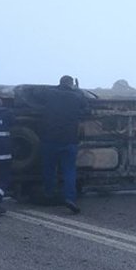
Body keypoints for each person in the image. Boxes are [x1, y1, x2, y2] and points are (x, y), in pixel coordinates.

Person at [39, 75, 90, 214]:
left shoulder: (50, 93)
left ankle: (49, 193)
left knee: (49, 169)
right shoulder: (76, 96)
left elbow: (37, 97)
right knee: (69, 171)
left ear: (59, 83)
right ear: (71, 84)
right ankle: (70, 198)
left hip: (49, 139)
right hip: (69, 140)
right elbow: (87, 110)